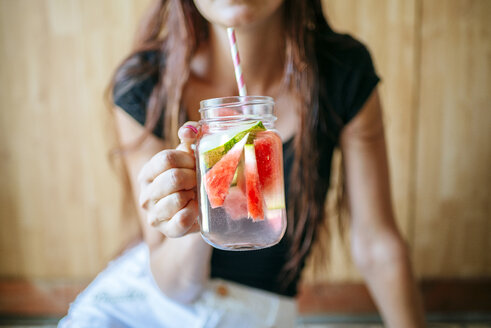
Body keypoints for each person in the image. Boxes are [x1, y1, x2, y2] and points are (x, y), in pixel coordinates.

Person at [60, 0, 425, 327]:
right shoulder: (145, 86)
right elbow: (173, 285)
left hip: (257, 313)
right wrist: (198, 211)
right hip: (141, 302)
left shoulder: (343, 72)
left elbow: (377, 244)